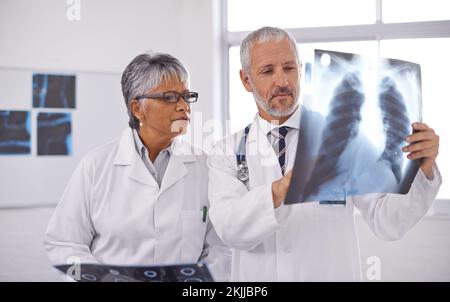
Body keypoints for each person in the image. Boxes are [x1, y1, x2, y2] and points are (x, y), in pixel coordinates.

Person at [207, 27, 441, 281]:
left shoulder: (346, 140)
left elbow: (388, 221)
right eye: (267, 71)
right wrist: (281, 189)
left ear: (301, 69)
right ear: (246, 80)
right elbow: (230, 230)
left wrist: (423, 168)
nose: (282, 81)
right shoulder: (226, 152)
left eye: (289, 67)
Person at [44, 52, 230, 281]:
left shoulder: (206, 167)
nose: (184, 107)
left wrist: (199, 280)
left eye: (187, 96)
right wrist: (102, 278)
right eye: (170, 97)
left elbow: (221, 247)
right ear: (137, 108)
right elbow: (64, 242)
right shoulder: (95, 166)